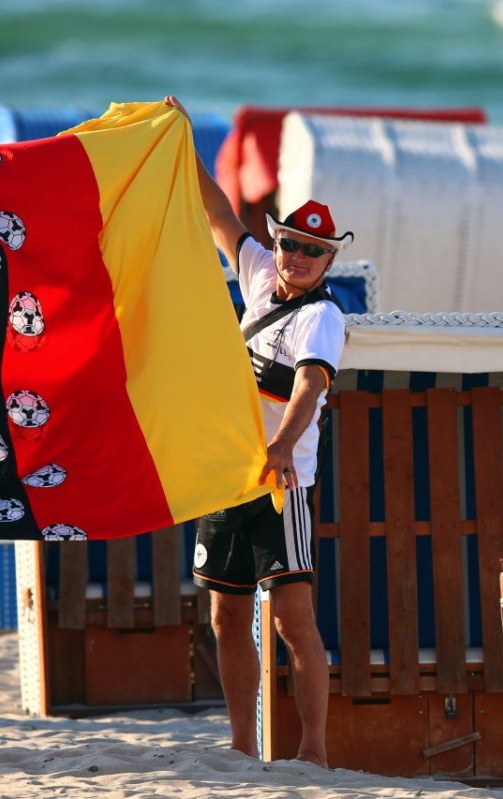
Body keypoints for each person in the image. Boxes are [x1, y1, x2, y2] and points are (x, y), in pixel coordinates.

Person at [165, 96, 350, 768]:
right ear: (278, 244)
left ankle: (315, 750)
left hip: (282, 484)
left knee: (292, 621)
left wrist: (278, 446)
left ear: (328, 262)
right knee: (223, 618)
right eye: (292, 245)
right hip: (227, 474)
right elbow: (218, 212)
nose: (298, 257)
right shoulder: (259, 278)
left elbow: (309, 387)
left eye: (312, 252)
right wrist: (179, 138)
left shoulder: (322, 319)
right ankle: (242, 747)